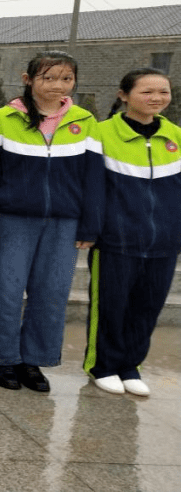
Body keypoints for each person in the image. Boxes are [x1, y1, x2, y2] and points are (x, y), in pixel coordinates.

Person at [0, 51, 103, 392]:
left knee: (51, 293)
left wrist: (90, 225)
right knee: (6, 291)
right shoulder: (1, 119)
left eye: (65, 78)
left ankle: (32, 360)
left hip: (64, 223)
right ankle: (0, 359)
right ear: (28, 79)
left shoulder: (84, 121)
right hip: (11, 219)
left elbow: (93, 179)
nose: (57, 86)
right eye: (48, 78)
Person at [84, 68, 180, 396]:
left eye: (163, 92)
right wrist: (94, 229)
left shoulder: (176, 137)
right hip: (116, 239)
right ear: (123, 95)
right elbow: (92, 189)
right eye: (147, 92)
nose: (156, 98)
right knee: (110, 306)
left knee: (147, 307)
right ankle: (103, 366)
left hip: (165, 242)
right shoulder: (99, 134)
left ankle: (131, 366)